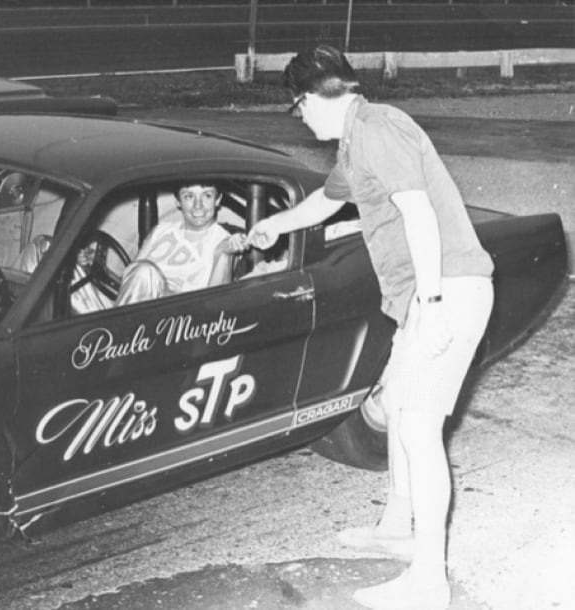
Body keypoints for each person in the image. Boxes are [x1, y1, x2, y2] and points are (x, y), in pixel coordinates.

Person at [246, 45, 494, 610]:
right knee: (401, 412)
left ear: (310, 97)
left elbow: (419, 213)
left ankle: (430, 583)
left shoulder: (378, 129)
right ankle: (398, 528)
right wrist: (274, 225)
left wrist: (430, 304)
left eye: (297, 107)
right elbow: (325, 202)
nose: (301, 119)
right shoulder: (357, 141)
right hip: (427, 295)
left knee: (417, 428)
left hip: (446, 289)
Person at [67, 182, 246, 312]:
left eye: (207, 195)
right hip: (126, 309)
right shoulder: (161, 230)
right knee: (45, 246)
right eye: (189, 196)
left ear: (218, 200)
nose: (198, 205)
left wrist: (224, 254)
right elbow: (130, 281)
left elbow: (215, 306)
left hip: (171, 323)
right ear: (178, 202)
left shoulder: (223, 241)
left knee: (146, 272)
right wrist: (90, 266)